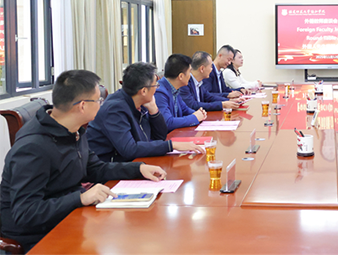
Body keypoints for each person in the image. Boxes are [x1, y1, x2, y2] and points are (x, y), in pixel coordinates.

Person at [0, 70, 167, 252]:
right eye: (98, 100)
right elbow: (26, 213)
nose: (101, 104)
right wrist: (80, 198)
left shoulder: (74, 130)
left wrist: (138, 169)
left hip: (69, 215)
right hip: (38, 235)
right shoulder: (33, 147)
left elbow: (95, 168)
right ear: (82, 106)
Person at [87, 62, 205, 162]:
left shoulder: (140, 102)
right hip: (111, 171)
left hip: (135, 163)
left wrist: (154, 111)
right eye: (155, 85)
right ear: (143, 91)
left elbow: (160, 137)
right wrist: (171, 145)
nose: (157, 89)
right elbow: (129, 149)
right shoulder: (114, 109)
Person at [154, 54, 207, 132]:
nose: (190, 75)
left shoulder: (174, 88)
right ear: (181, 76)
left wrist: (199, 113)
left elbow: (184, 109)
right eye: (189, 72)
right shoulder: (159, 92)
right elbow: (168, 122)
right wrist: (195, 117)